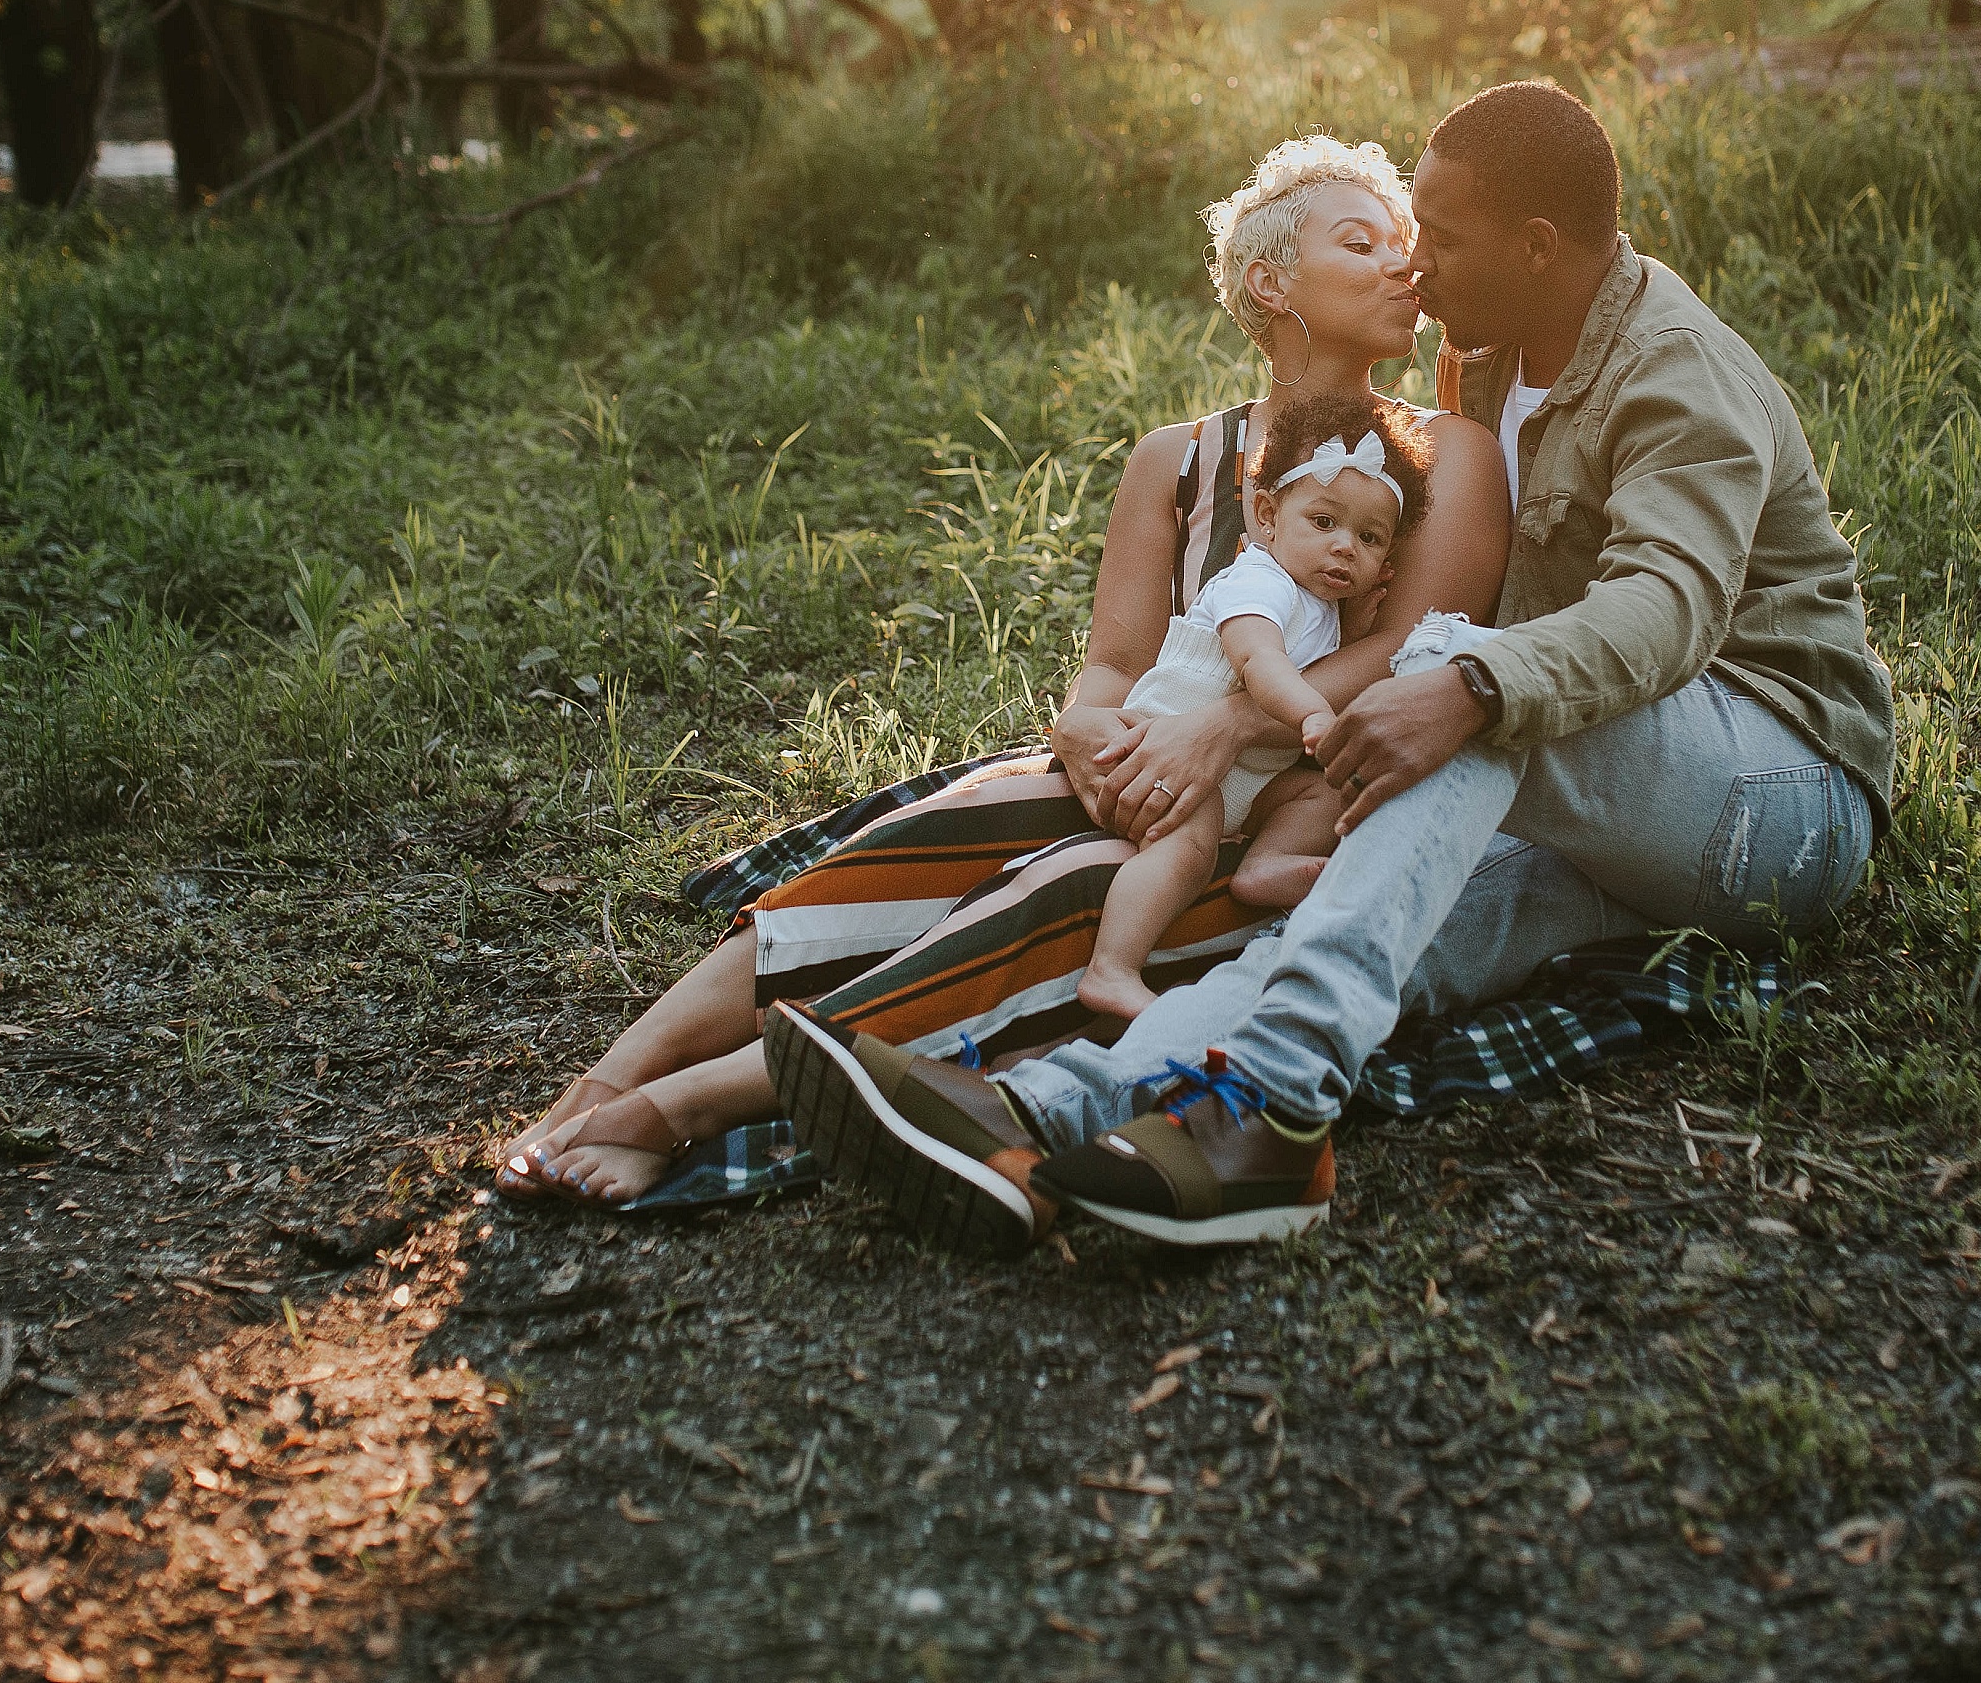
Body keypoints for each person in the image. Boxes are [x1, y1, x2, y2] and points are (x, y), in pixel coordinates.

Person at [768, 81, 1895, 1252]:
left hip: (1783, 799)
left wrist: (1464, 686)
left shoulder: (1674, 371)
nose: (1420, 268)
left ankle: (1276, 1115)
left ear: (1537, 245)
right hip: (1611, 804)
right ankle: (1037, 1115)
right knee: (1347, 940)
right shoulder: (1491, 356)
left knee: (1460, 676)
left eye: (1440, 241)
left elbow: (1668, 609)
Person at [489, 135, 1506, 1205]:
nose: (1407, 264)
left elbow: (1406, 654)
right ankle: (601, 1081)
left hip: (1281, 801)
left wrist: (1227, 730)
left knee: (1064, 889)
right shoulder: (1177, 456)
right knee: (931, 829)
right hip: (1137, 763)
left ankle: (681, 1109)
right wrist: (1083, 732)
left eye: (1406, 243)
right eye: (1363, 241)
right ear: (1270, 280)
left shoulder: (1447, 451)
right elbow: (1111, 664)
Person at [1079, 395, 1432, 1028]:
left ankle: (1263, 867)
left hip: (1248, 769)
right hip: (1168, 749)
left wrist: (1359, 622)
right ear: (1267, 517)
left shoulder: (1322, 606)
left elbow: (1324, 655)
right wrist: (1313, 714)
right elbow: (1261, 664)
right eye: (1324, 522)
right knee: (1187, 841)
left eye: (1369, 537)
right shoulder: (1255, 580)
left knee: (1320, 795)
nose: (1345, 546)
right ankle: (1112, 968)